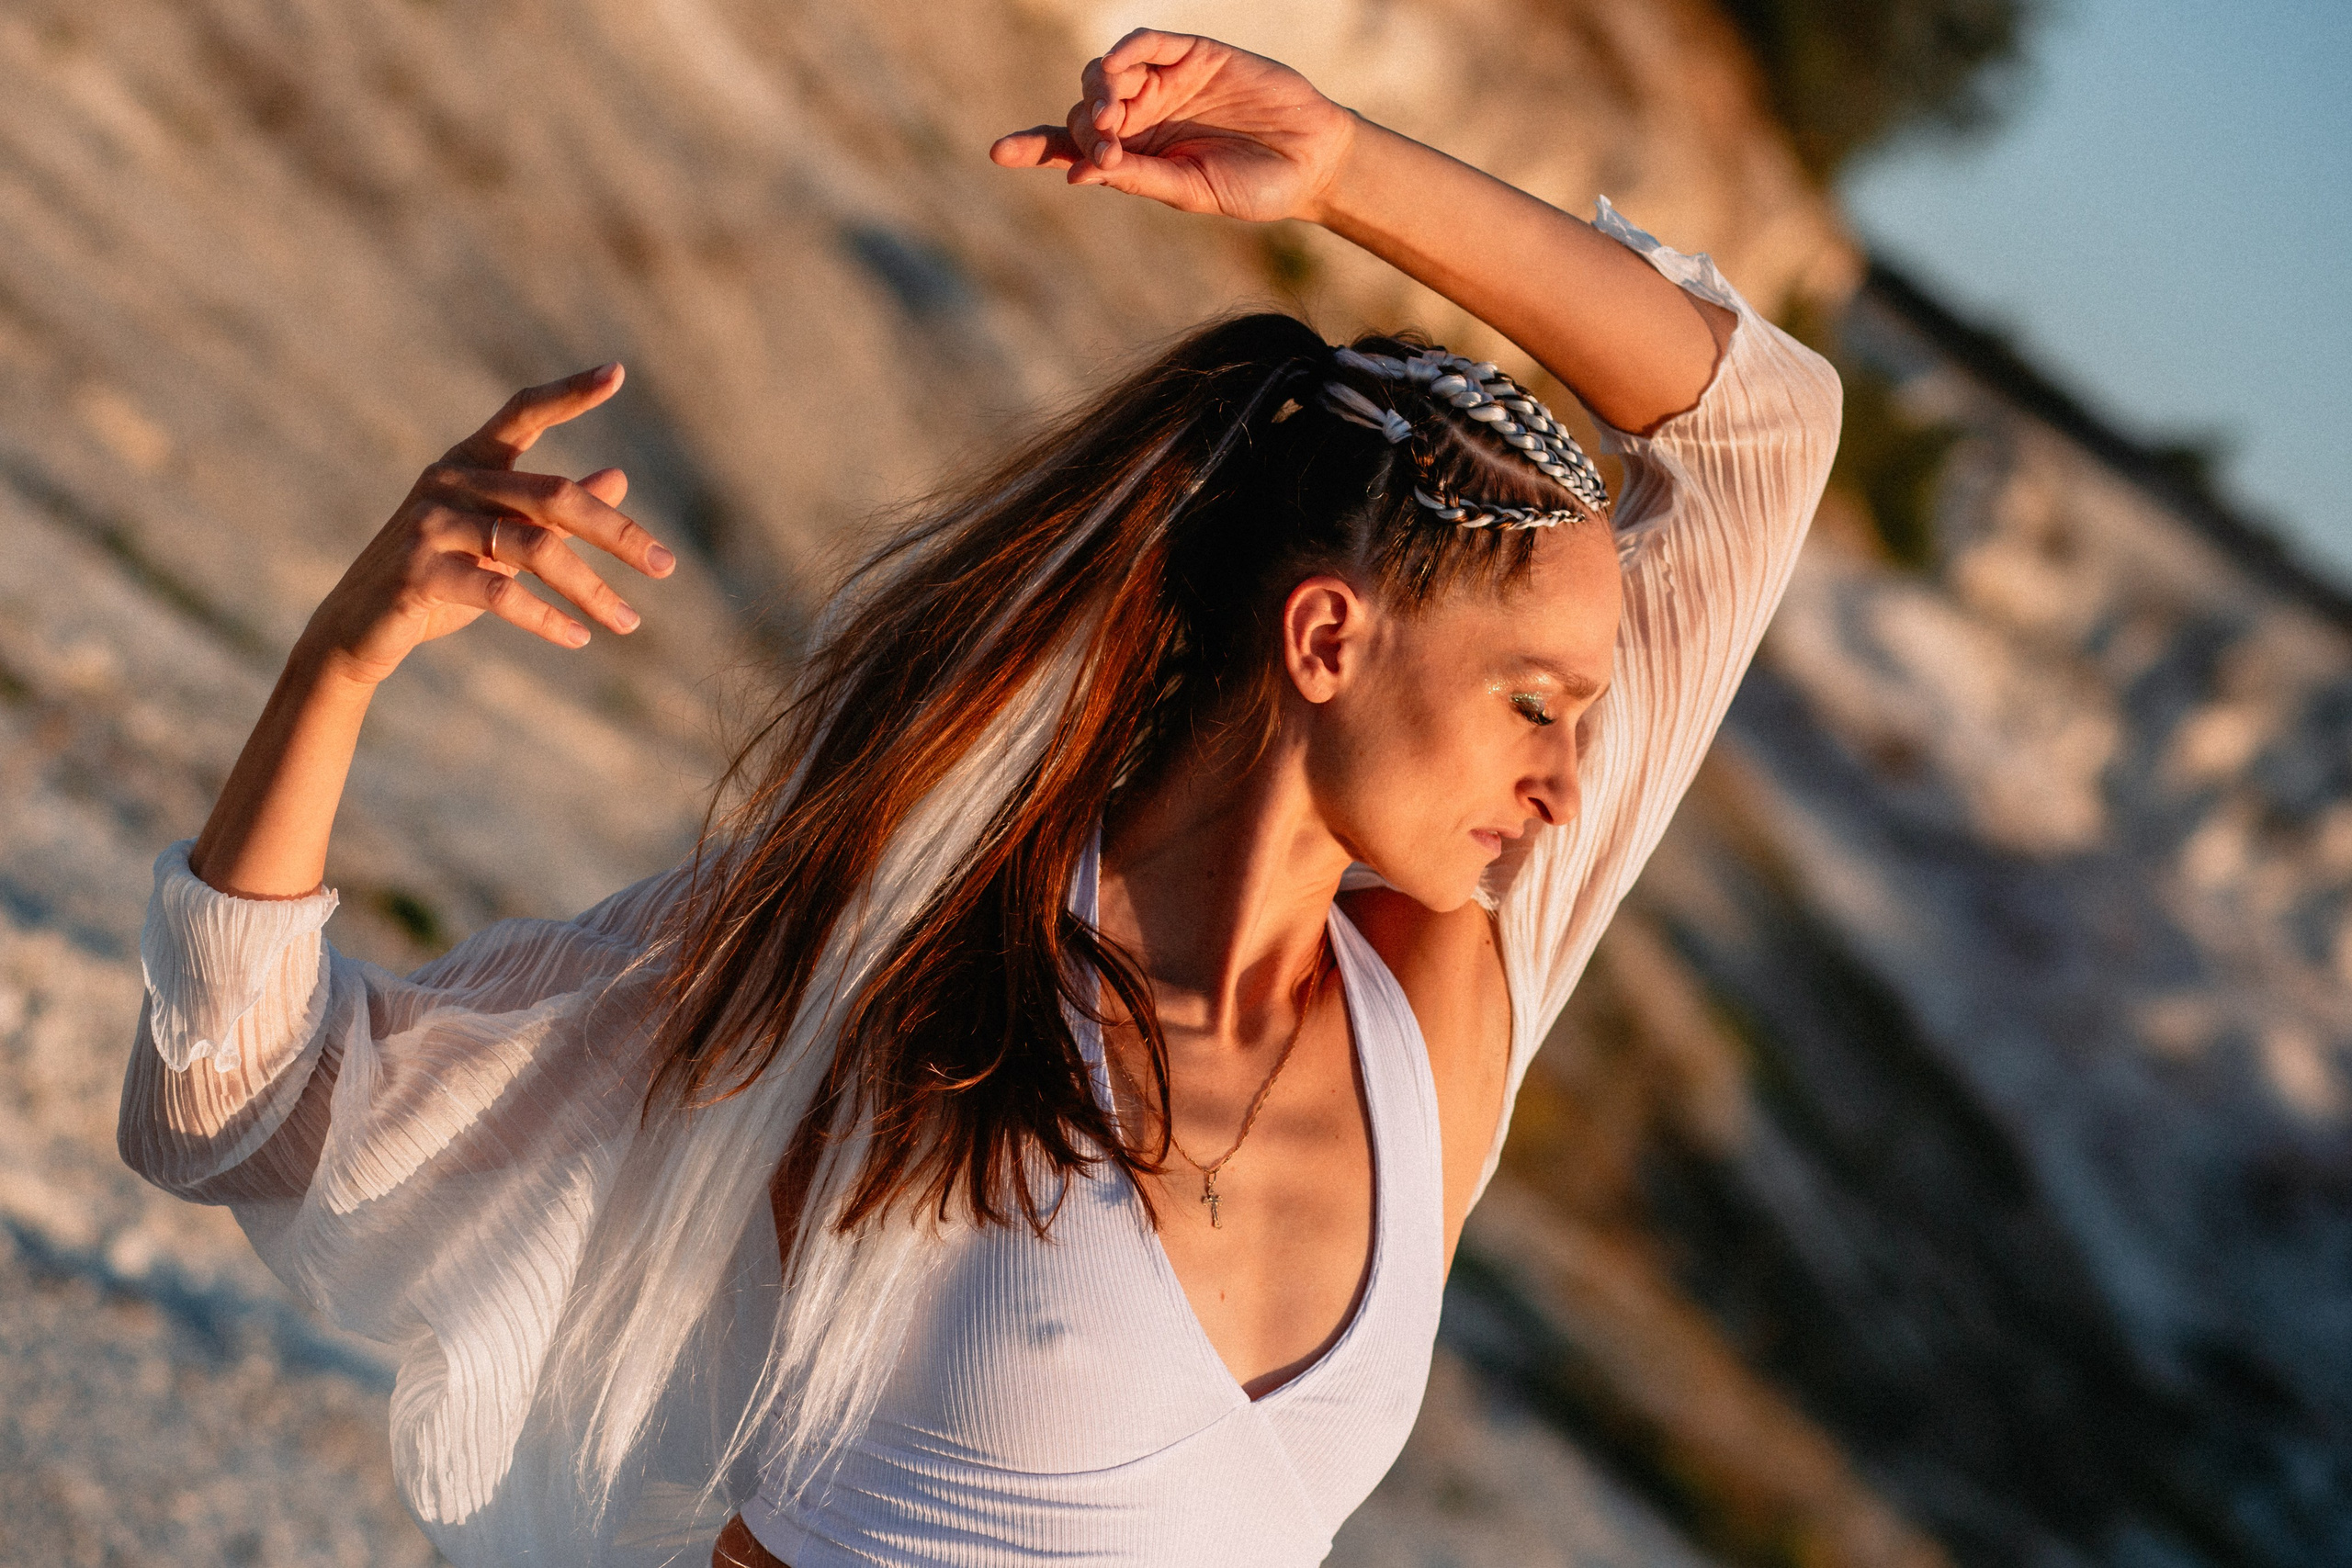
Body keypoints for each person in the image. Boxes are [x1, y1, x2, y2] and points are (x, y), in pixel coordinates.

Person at [119, 28, 1839, 1568]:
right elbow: (237, 1120)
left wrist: (1344, 172)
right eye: (1534, 703)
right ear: (1326, 636)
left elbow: (1764, 430)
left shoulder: (1443, 1013)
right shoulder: (920, 965)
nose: (1567, 781)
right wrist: (342, 663)